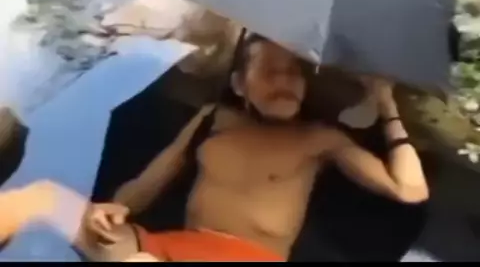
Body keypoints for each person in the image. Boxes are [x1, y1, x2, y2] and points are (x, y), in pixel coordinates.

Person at [77, 34, 429, 262]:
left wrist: (386, 104)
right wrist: (117, 208)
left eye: (293, 71)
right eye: (270, 70)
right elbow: (151, 180)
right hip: (179, 248)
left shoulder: (317, 138)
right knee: (78, 224)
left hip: (249, 257)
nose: (284, 80)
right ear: (239, 84)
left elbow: (410, 189)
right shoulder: (213, 119)